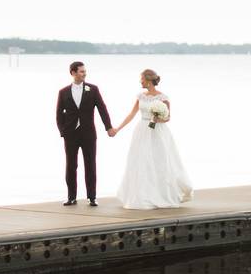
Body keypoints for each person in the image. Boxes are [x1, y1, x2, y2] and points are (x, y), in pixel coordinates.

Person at [112, 69, 193, 209]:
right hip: (141, 131)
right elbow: (131, 115)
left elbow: (168, 118)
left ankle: (161, 194)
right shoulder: (140, 96)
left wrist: (157, 119)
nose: (140, 82)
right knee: (140, 162)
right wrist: (117, 129)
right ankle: (142, 195)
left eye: (141, 79)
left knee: (159, 162)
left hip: (158, 133)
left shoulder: (163, 98)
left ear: (148, 80)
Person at [55, 61, 116, 207]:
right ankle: (71, 197)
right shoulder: (63, 92)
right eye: (81, 71)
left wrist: (108, 127)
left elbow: (102, 109)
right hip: (70, 135)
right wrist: (63, 131)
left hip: (88, 133)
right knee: (71, 166)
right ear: (73, 73)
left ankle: (92, 197)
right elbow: (58, 114)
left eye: (84, 71)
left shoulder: (93, 89)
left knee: (90, 165)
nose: (84, 73)